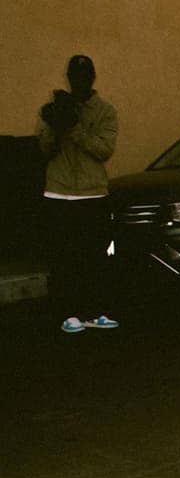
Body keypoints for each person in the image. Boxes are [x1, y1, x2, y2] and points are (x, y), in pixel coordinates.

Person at [36, 54, 119, 333]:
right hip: (58, 193)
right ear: (69, 78)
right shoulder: (56, 107)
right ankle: (67, 313)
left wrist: (74, 128)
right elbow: (45, 150)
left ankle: (94, 312)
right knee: (64, 259)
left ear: (92, 78)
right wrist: (54, 126)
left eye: (84, 76)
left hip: (92, 194)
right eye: (74, 76)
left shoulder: (105, 111)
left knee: (94, 257)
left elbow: (104, 150)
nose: (79, 82)